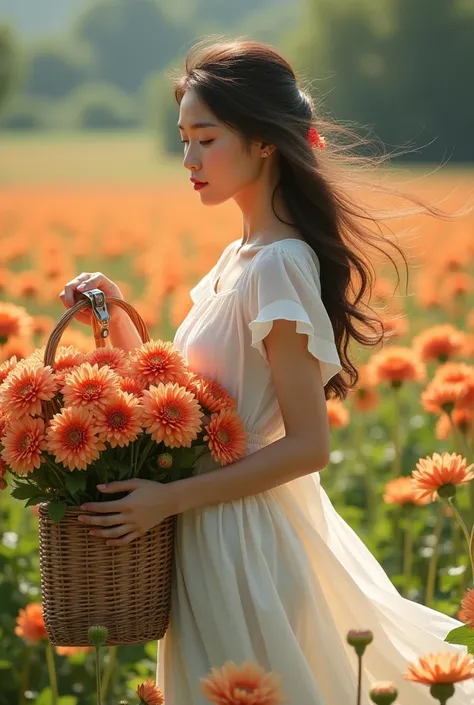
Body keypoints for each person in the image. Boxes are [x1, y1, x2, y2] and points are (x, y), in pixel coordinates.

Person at [60, 39, 474, 705]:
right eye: (184, 139)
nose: (189, 159)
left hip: (245, 542)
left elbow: (311, 445)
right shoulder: (241, 256)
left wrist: (168, 498)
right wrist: (116, 312)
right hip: (210, 529)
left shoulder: (278, 263)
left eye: (206, 138)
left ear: (263, 143)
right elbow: (200, 403)